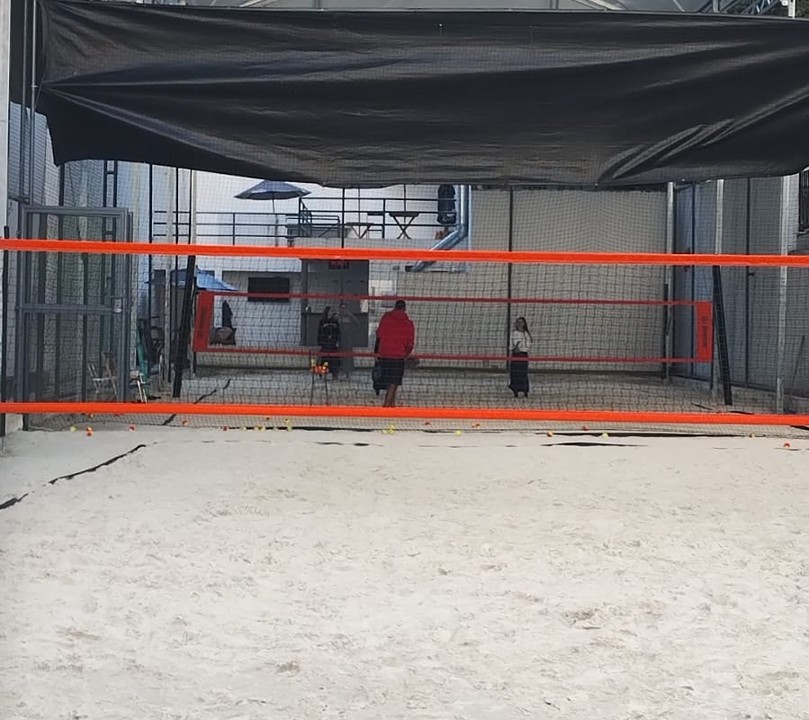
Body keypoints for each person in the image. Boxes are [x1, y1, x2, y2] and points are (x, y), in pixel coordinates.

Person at [376, 300, 415, 408]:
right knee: (395, 381)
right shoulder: (408, 323)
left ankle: (392, 404)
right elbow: (410, 343)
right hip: (398, 354)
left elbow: (379, 334)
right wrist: (406, 353)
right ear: (404, 309)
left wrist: (378, 351)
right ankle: (386, 404)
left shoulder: (385, 318)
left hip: (384, 352)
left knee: (388, 379)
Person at [508, 316, 532, 398]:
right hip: (515, 355)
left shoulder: (526, 334)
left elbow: (528, 346)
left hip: (523, 355)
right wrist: (514, 348)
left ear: (524, 324)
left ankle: (525, 390)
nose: (519, 324)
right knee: (515, 373)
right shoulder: (513, 333)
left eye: (521, 322)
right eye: (518, 322)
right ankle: (515, 390)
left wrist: (520, 349)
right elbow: (510, 345)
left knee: (523, 373)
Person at [336, 302, 360, 380]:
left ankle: (347, 372)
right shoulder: (337, 317)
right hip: (339, 338)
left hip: (348, 339)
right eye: (342, 308)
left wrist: (351, 331)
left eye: (344, 308)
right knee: (338, 355)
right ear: (339, 309)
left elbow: (357, 324)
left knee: (348, 356)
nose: (343, 310)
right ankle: (338, 372)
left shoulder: (350, 316)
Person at [316, 306, 341, 378]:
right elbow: (319, 332)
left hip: (333, 343)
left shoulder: (335, 321)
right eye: (330, 311)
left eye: (332, 311)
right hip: (325, 343)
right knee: (324, 358)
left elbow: (338, 332)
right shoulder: (322, 321)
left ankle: (334, 373)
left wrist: (338, 340)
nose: (332, 312)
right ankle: (321, 372)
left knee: (334, 359)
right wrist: (320, 342)